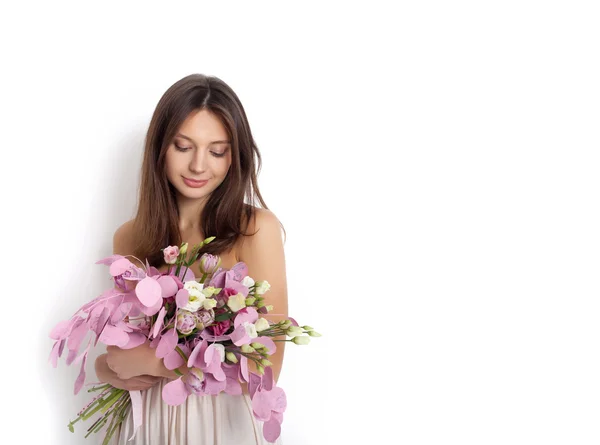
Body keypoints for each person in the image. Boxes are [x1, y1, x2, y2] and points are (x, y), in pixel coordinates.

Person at [94, 74, 288, 444]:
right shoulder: (129, 236)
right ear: (160, 148)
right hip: (146, 423)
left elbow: (267, 366)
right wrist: (106, 368)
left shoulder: (256, 230)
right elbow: (121, 348)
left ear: (236, 155)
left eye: (217, 151)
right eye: (184, 147)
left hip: (221, 426)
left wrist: (155, 362)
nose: (200, 166)